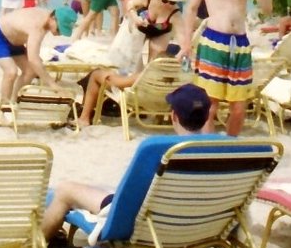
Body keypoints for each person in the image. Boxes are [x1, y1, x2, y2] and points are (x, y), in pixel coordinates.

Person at [44, 83, 216, 238]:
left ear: (174, 116)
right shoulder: (228, 149)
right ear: (207, 116)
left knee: (65, 190)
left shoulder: (157, 148)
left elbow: (130, 196)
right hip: (197, 224)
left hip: (142, 223)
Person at [178, 0, 272, 137]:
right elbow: (191, 8)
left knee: (239, 107)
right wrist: (186, 43)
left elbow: (267, 8)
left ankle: (230, 145)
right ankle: (210, 149)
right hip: (214, 39)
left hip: (239, 42)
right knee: (210, 104)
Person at [76, 0, 182, 127]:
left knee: (95, 75)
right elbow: (131, 6)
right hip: (152, 95)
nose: (168, 4)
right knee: (122, 67)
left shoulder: (142, 76)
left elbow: (122, 85)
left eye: (172, 2)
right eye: (165, 0)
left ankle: (84, 118)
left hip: (132, 91)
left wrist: (108, 77)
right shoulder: (171, 84)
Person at [0, 6, 60, 105]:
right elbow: (33, 59)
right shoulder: (38, 25)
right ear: (53, 19)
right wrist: (52, 84)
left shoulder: (46, 18)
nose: (59, 33)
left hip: (15, 40)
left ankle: (13, 102)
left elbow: (32, 49)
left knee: (30, 71)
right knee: (11, 72)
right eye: (60, 29)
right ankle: (3, 108)